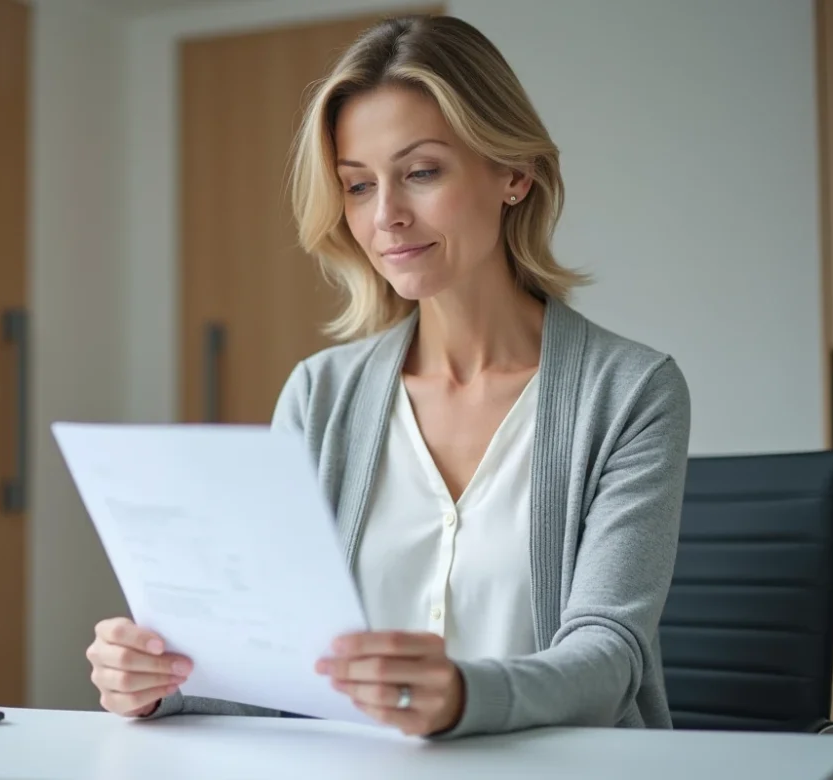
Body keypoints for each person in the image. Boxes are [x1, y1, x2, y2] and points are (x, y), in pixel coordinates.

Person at [85, 13, 690, 740]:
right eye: (358, 186)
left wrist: (464, 695)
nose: (387, 218)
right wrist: (162, 684)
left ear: (514, 173)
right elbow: (276, 658)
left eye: (421, 173)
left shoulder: (631, 392)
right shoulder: (320, 394)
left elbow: (610, 658)